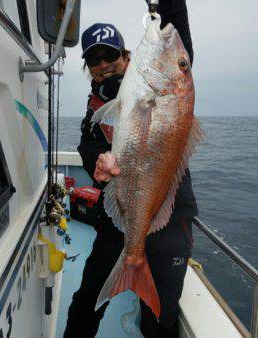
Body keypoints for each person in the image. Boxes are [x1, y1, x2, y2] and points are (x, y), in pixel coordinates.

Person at [64, 1, 197, 337]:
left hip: (168, 215)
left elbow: (176, 32)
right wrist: (98, 160)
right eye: (95, 59)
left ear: (127, 57)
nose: (104, 64)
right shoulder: (96, 111)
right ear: (88, 68)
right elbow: (88, 144)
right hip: (121, 215)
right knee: (85, 301)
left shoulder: (162, 83)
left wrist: (164, 6)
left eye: (111, 55)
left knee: (160, 314)